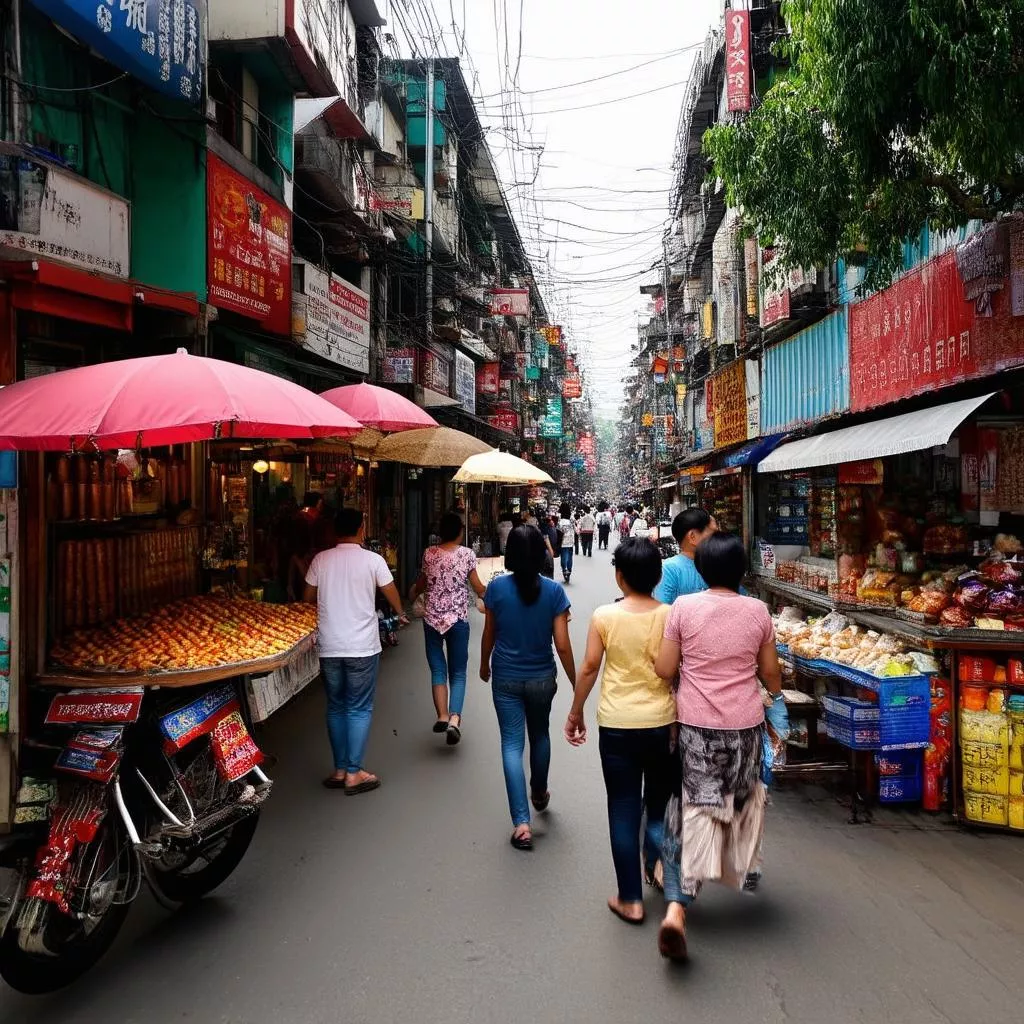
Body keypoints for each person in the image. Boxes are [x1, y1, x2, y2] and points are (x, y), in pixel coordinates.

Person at [652, 533, 783, 961]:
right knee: (736, 801)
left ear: (701, 569)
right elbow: (771, 675)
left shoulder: (684, 608)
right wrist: (775, 700)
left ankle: (678, 905)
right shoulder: (758, 611)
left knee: (696, 807)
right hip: (745, 726)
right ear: (742, 570)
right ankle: (736, 866)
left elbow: (667, 667)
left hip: (696, 726)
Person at [564, 538, 675, 925]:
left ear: (620, 576)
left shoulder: (604, 617)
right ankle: (666, 877)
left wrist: (575, 711)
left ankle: (630, 899)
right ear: (658, 576)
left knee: (623, 806)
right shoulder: (670, 615)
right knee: (659, 804)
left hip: (617, 725)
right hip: (663, 723)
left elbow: (591, 667)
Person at [481, 525, 577, 850]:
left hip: (506, 678)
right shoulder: (554, 593)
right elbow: (562, 646)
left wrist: (483, 665)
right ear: (541, 554)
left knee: (511, 745)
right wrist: (577, 682)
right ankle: (539, 790)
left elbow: (489, 634)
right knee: (540, 735)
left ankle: (521, 823)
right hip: (541, 679)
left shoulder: (496, 589)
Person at [304, 508, 409, 795]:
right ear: (362, 529)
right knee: (359, 707)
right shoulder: (373, 560)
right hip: (362, 646)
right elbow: (390, 591)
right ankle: (353, 772)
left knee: (336, 706)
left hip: (330, 645)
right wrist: (400, 613)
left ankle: (339, 769)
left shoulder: (321, 560)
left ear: (335, 530)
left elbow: (307, 597)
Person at [409, 512, 487, 746]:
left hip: (432, 619)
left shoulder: (429, 554)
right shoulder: (467, 555)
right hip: (458, 620)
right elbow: (477, 587)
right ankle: (454, 718)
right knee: (459, 672)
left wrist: (413, 591)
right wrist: (492, 592)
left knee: (438, 670)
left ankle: (442, 714)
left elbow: (422, 583)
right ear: (460, 532)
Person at [655, 508, 718, 605]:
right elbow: (662, 613)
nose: (720, 539)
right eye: (714, 534)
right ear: (692, 537)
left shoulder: (719, 564)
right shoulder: (670, 569)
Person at [557, 502, 576, 583]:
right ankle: (569, 570)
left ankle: (565, 570)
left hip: (563, 541)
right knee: (570, 556)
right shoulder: (572, 520)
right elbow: (575, 529)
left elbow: (558, 531)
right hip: (571, 541)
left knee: (564, 556)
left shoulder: (560, 521)